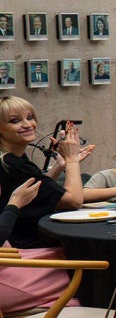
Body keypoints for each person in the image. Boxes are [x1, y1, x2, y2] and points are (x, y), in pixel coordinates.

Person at [0, 95, 86, 246]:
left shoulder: (12, 158)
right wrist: (72, 159)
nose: (27, 124)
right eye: (15, 121)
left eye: (30, 117)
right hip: (24, 252)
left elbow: (39, 190)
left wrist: (59, 165)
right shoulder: (12, 164)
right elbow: (73, 201)